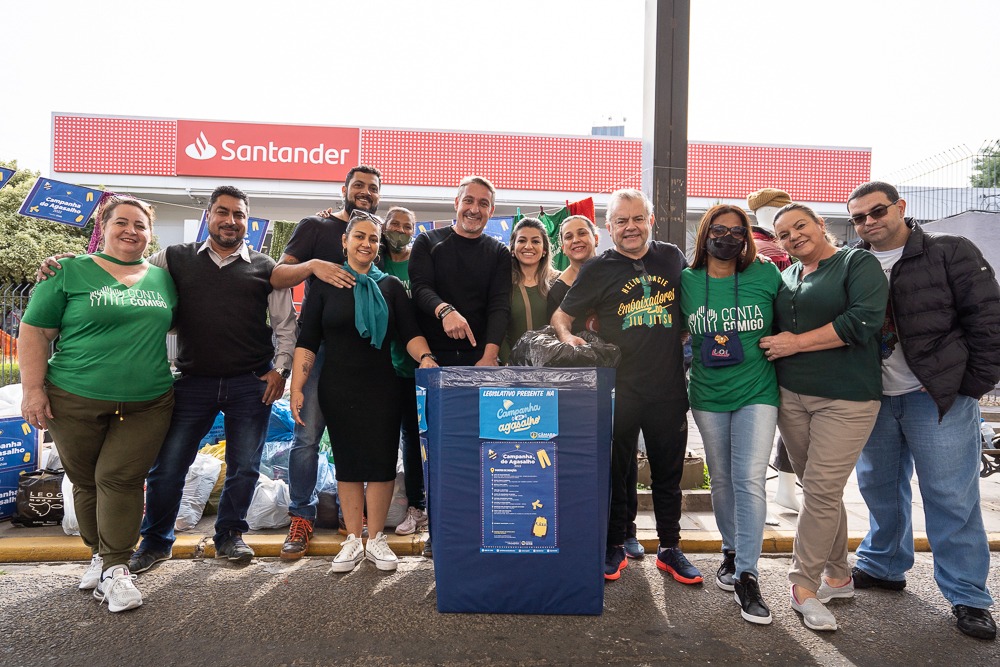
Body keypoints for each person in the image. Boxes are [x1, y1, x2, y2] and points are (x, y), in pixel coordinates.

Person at [849, 181, 999, 641]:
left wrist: (969, 388)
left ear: (901, 207)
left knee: (951, 496)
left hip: (937, 396)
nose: (869, 222)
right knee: (879, 486)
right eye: (859, 217)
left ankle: (968, 596)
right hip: (874, 396)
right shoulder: (852, 263)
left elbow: (989, 320)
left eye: (877, 212)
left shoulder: (949, 251)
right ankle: (883, 565)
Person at [20, 196, 177, 612]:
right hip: (73, 398)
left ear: (149, 233)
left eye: (139, 225)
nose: (130, 231)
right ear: (103, 228)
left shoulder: (162, 279)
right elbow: (34, 331)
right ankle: (99, 555)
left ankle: (117, 567)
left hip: (148, 400)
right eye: (121, 222)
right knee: (86, 479)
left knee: (119, 478)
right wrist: (33, 390)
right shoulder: (67, 271)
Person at [551, 188, 699, 586]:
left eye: (637, 219)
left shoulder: (671, 257)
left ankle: (670, 548)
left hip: (667, 386)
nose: (630, 227)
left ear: (650, 221)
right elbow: (561, 316)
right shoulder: (597, 268)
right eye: (621, 221)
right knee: (617, 471)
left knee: (667, 474)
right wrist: (567, 338)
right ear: (609, 226)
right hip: (620, 388)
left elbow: (691, 304)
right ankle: (615, 543)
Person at [759, 203, 888, 632]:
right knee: (819, 488)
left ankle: (803, 586)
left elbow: (862, 322)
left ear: (821, 225)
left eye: (800, 226)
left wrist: (795, 344)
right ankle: (839, 575)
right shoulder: (788, 275)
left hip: (847, 398)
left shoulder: (857, 262)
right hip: (791, 397)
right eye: (783, 233)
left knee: (820, 487)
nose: (793, 236)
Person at [290, 211, 437, 573]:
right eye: (359, 237)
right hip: (337, 387)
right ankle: (353, 540)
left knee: (382, 464)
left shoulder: (388, 286)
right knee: (349, 465)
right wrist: (296, 386)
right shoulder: (326, 284)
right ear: (345, 241)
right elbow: (308, 340)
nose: (366, 244)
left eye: (373, 238)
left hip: (382, 387)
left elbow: (410, 333)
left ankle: (376, 539)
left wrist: (428, 358)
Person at [270, 165, 383, 560]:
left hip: (365, 353)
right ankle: (301, 515)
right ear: (344, 189)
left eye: (372, 188)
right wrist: (313, 266)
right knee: (307, 435)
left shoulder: (374, 235)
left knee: (360, 435)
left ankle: (352, 517)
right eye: (358, 186)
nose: (365, 192)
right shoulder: (314, 227)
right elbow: (278, 274)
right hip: (318, 348)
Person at [681, 205, 781, 624]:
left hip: (758, 390)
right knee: (721, 477)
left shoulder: (766, 275)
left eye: (736, 232)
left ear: (748, 238)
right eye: (718, 230)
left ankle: (747, 575)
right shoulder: (686, 281)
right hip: (707, 393)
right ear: (705, 234)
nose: (727, 237)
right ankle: (730, 550)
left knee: (749, 479)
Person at [409, 175, 512, 557]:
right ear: (456, 202)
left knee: (481, 455)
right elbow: (419, 289)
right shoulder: (428, 242)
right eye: (469, 200)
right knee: (436, 455)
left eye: (484, 203)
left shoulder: (498, 253)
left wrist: (488, 357)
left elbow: (499, 305)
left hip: (479, 366)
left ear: (491, 211)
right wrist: (445, 310)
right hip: (432, 365)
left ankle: (478, 533)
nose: (475, 209)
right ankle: (439, 537)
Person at [545, 214, 645, 562]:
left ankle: (626, 529)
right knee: (584, 458)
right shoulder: (557, 286)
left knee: (623, 456)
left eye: (582, 233)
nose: (576, 240)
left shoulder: (614, 269)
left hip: (622, 376)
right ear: (561, 245)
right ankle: (591, 528)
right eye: (568, 235)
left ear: (596, 237)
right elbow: (554, 331)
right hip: (576, 386)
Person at [376, 206, 428, 537]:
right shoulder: (375, 264)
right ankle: (372, 510)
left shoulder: (422, 263)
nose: (399, 230)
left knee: (414, 438)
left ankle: (417, 506)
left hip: (418, 364)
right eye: (394, 224)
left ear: (414, 230)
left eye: (406, 226)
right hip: (383, 366)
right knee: (381, 437)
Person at [746, 188, 798, 514]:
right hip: (776, 348)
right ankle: (778, 490)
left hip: (762, 350)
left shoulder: (762, 248)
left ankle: (781, 490)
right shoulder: (774, 253)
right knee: (783, 424)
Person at [502, 216, 557, 363]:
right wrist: (509, 364)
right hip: (513, 369)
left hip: (553, 369)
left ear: (544, 249)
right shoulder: (502, 284)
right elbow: (498, 328)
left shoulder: (559, 282)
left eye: (535, 241)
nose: (528, 246)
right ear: (513, 248)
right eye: (522, 240)